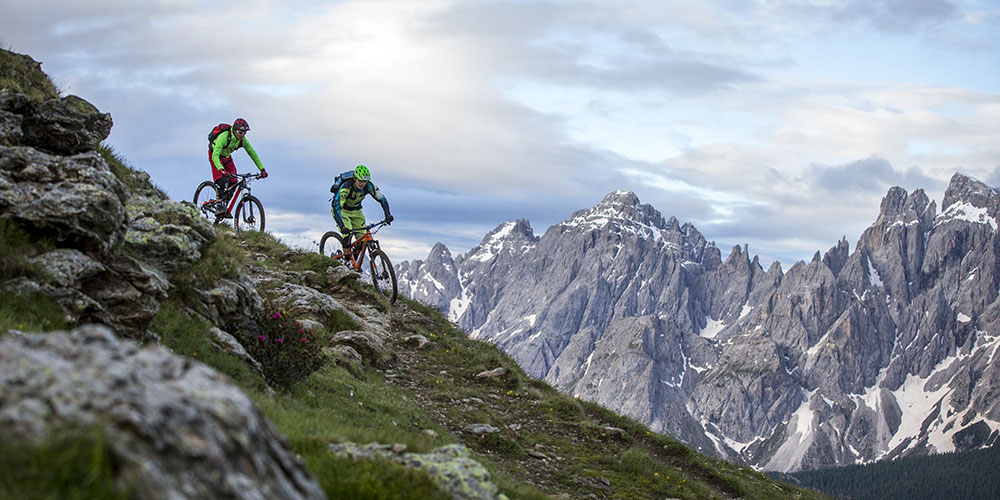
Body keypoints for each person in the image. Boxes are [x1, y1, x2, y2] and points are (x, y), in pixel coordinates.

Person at [209, 118, 267, 218]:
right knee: (222, 179)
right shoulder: (224, 137)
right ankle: (219, 205)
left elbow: (252, 153)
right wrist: (221, 169)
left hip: (226, 157)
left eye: (244, 133)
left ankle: (225, 206)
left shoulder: (242, 140)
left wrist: (262, 169)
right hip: (215, 156)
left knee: (234, 181)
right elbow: (215, 155)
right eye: (240, 132)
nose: (242, 135)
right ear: (234, 130)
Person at [332, 164, 393, 254]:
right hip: (342, 210)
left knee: (363, 239)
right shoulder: (346, 188)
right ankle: (347, 259)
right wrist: (342, 226)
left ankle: (354, 263)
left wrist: (387, 214)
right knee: (347, 234)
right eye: (360, 180)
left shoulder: (369, 186)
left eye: (365, 181)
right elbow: (336, 206)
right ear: (354, 179)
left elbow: (382, 199)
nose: (362, 183)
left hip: (356, 211)